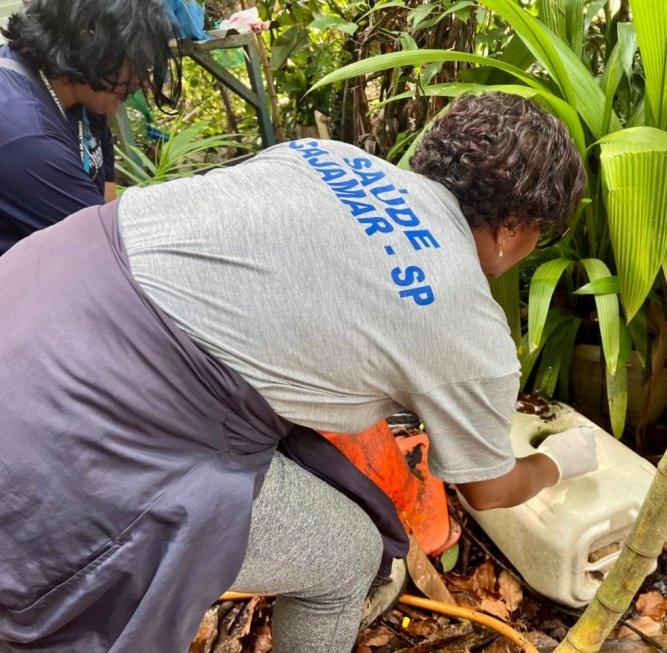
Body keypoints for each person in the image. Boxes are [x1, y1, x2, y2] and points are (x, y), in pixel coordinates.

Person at [0, 92, 594, 652]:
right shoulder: (465, 316)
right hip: (81, 425)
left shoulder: (325, 155)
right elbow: (488, 489)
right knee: (347, 555)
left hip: (32, 289)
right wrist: (560, 461)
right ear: (516, 227)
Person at [0, 0, 180, 255]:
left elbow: (106, 200)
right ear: (90, 39)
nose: (143, 82)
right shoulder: (29, 138)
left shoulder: (81, 89)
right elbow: (110, 253)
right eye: (139, 63)